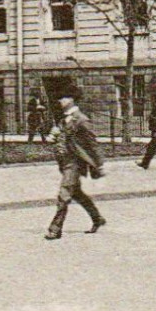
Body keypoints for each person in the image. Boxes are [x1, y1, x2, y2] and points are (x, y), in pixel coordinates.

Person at [46, 90, 106, 239]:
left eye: (63, 97)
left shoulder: (81, 120)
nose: (60, 101)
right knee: (77, 193)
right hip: (64, 162)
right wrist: (53, 136)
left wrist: (100, 164)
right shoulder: (63, 119)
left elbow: (92, 144)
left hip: (75, 162)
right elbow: (62, 138)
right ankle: (97, 218)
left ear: (71, 99)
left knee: (64, 194)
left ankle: (55, 228)